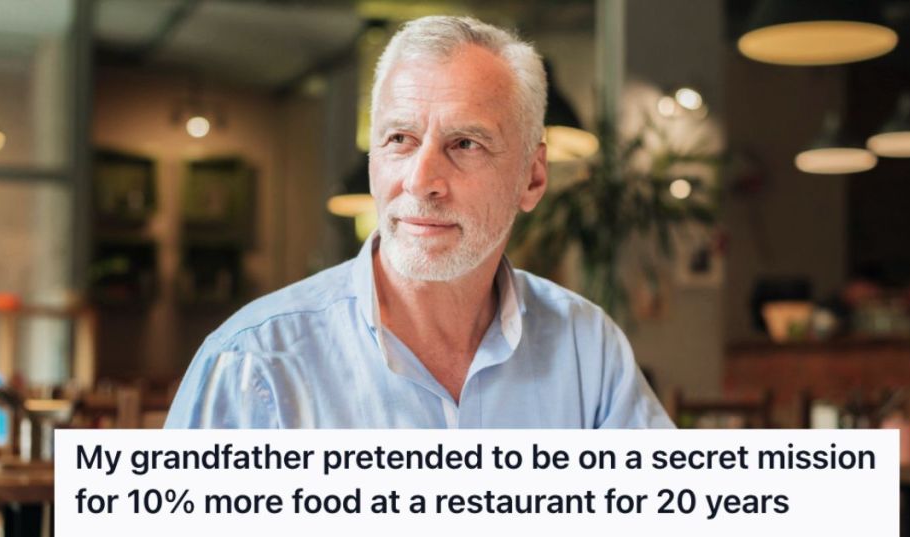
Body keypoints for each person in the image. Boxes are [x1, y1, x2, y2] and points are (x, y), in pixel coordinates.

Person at [165, 15, 673, 429]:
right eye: (399, 140)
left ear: (532, 178)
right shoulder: (253, 366)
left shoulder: (588, 348)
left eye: (465, 144)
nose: (420, 180)